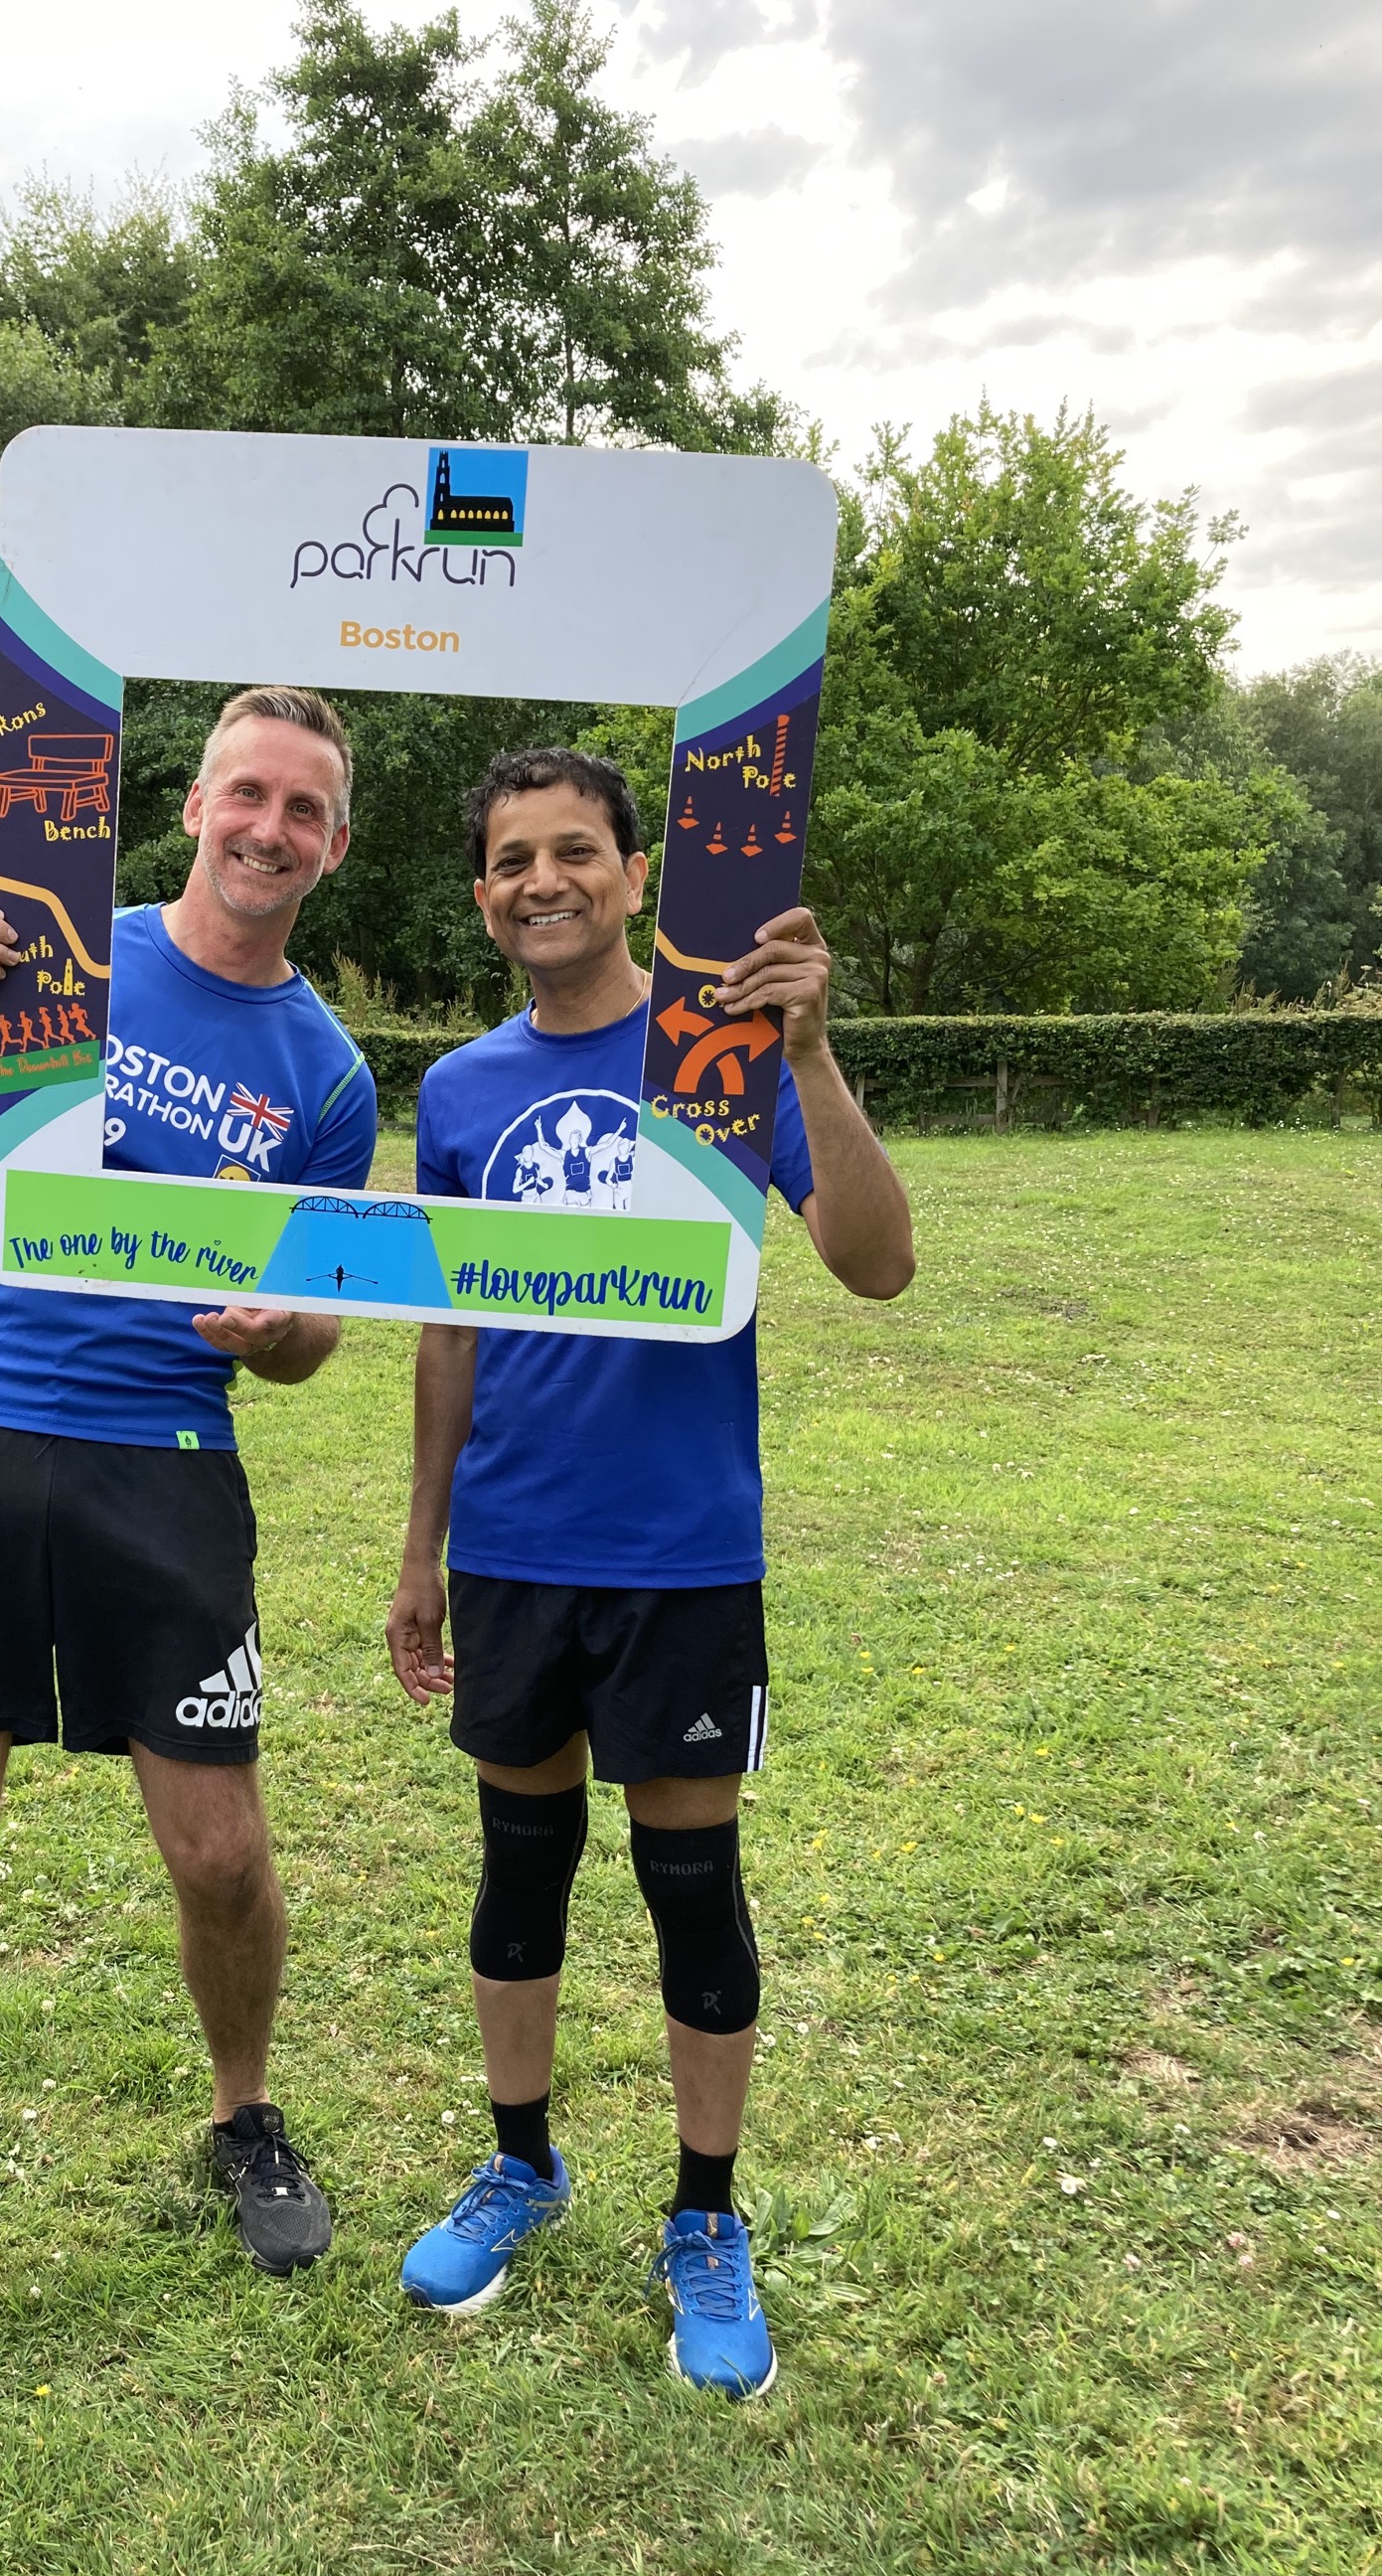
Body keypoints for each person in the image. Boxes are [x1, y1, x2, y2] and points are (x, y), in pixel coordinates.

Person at [0, 687, 378, 2319]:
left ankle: (243, 2118)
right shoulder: (64, 960)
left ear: (334, 848)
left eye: (305, 811)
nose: (269, 828)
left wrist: (286, 1332)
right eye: (246, 793)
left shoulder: (326, 1071)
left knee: (217, 1854)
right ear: (191, 805)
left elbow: (317, 1329)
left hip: (165, 1466)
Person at [384, 747, 914, 2395]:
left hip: (681, 1553)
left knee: (691, 1887)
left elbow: (877, 1263)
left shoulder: (722, 1052)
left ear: (631, 873)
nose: (541, 880)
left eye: (574, 852)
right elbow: (450, 1324)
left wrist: (808, 1055)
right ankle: (522, 2165)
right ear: (480, 896)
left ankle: (703, 2216)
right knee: (517, 1867)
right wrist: (421, 1543)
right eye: (509, 860)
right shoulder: (463, 1093)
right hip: (516, 1547)